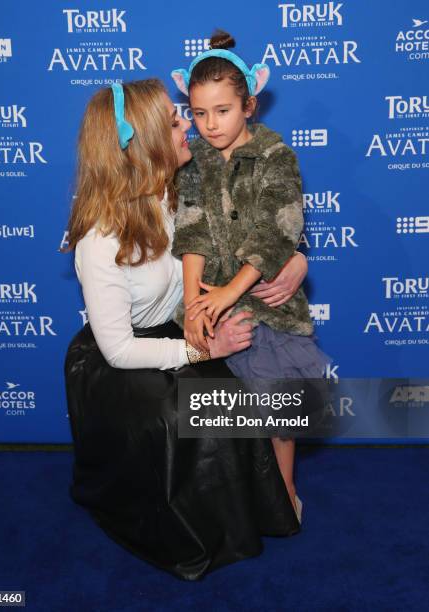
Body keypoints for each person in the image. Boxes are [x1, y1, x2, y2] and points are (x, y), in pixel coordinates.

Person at [64, 78, 308, 580]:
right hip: (122, 359)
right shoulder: (100, 239)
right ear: (149, 141)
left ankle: (269, 504)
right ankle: (197, 535)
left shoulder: (186, 186)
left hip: (185, 330)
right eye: (176, 121)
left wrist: (298, 260)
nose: (188, 128)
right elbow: (120, 350)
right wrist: (200, 351)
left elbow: (266, 223)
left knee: (260, 378)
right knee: (190, 417)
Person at [171, 30, 330, 521]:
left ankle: (285, 493)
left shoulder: (277, 156)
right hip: (213, 300)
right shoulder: (192, 163)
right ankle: (240, 497)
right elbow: (191, 231)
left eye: (222, 110)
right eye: (199, 114)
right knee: (228, 414)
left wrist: (229, 294)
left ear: (249, 106)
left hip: (266, 301)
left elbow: (274, 233)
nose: (210, 124)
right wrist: (197, 303)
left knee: (279, 408)